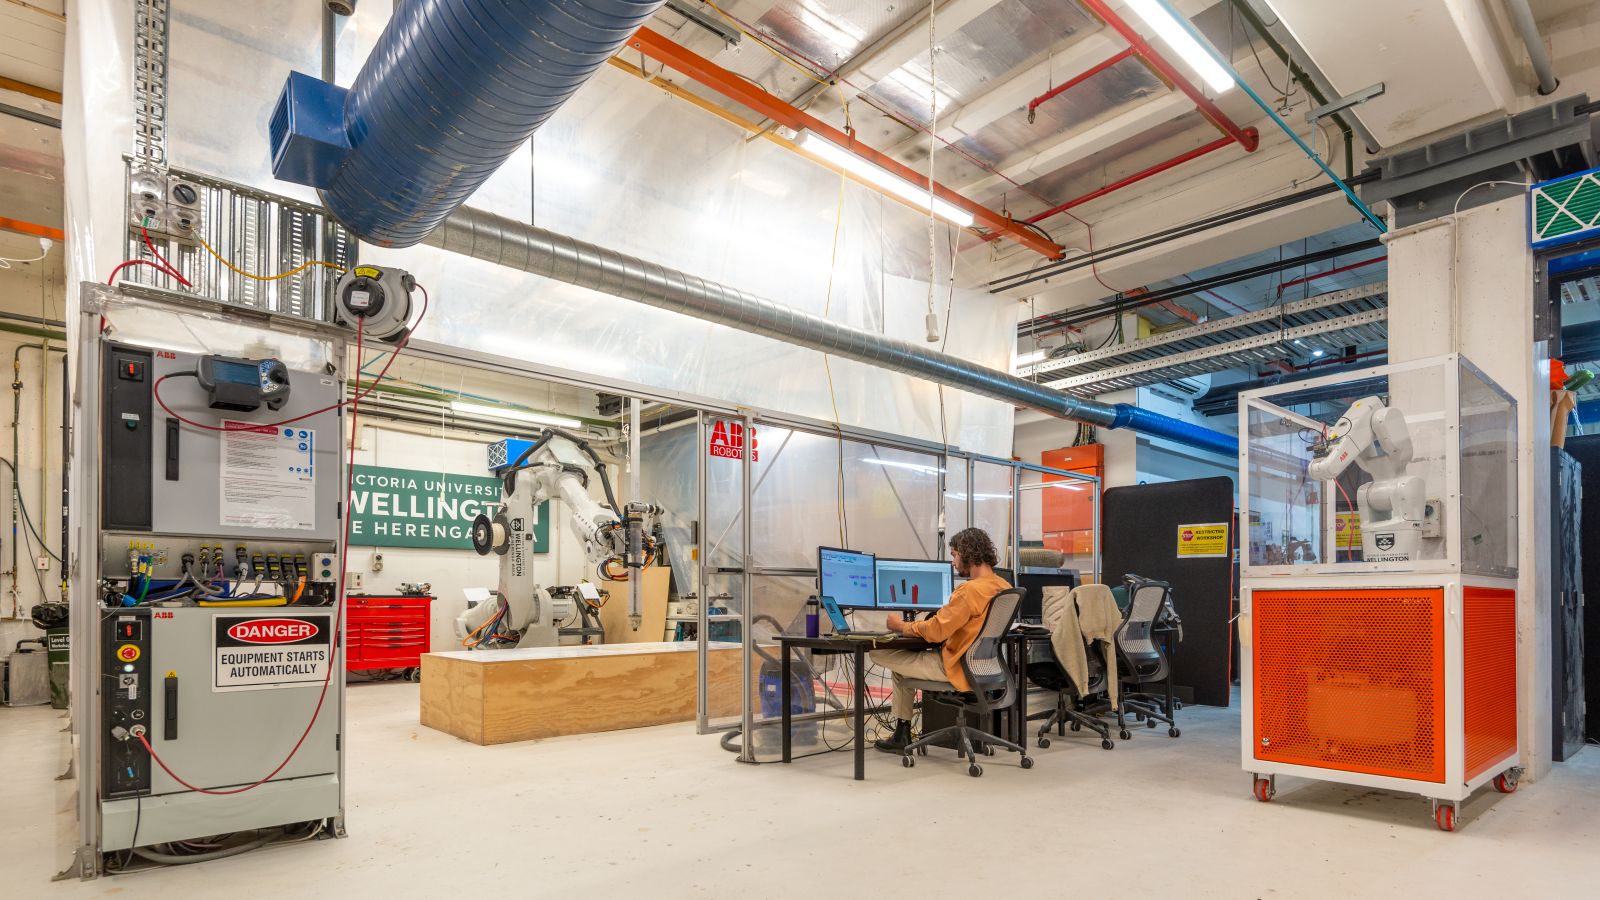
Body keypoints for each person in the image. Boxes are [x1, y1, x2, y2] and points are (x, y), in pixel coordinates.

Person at [869, 527, 1011, 753]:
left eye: (954, 554)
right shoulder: (1004, 587)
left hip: (955, 668)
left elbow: (935, 631)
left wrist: (900, 626)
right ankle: (901, 733)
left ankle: (902, 735)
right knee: (903, 667)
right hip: (984, 668)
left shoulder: (968, 591)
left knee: (877, 652)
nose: (953, 562)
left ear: (967, 552)